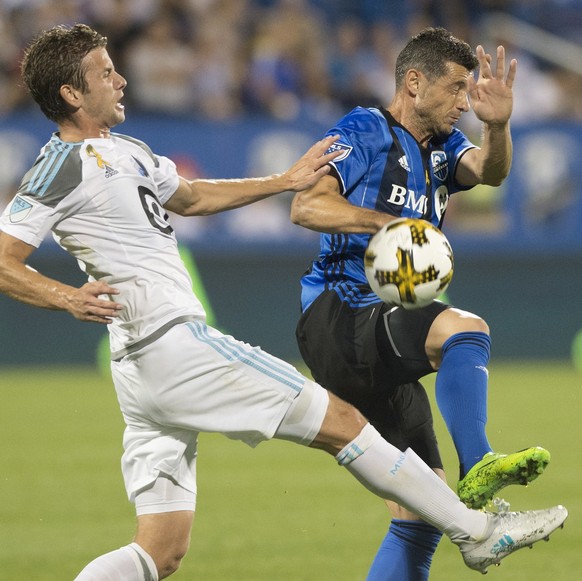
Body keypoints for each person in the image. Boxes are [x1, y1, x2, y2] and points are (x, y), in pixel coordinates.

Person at [0, 24, 566, 581]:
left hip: (142, 368)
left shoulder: (127, 151)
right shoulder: (60, 165)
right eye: (105, 73)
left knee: (160, 552)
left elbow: (193, 196)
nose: (122, 80)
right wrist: (66, 298)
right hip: (172, 341)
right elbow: (4, 258)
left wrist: (284, 179)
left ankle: (468, 519)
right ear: (72, 94)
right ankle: (479, 531)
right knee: (346, 420)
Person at [291, 27, 552, 581]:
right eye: (456, 89)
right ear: (414, 82)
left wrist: (498, 125)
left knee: (424, 514)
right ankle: (479, 460)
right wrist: (388, 224)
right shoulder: (366, 128)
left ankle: (464, 488)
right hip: (341, 313)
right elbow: (307, 206)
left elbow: (490, 171)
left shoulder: (442, 149)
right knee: (465, 330)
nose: (464, 102)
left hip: (377, 325)